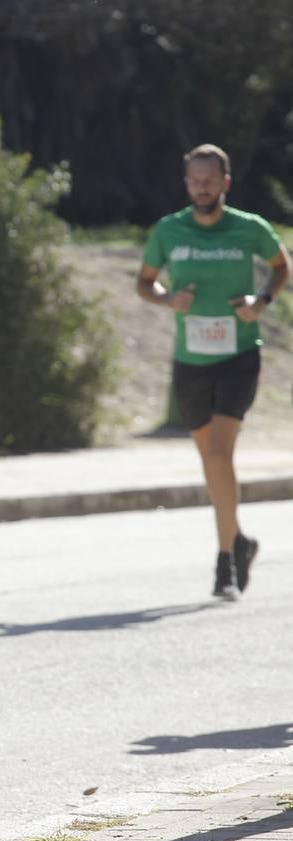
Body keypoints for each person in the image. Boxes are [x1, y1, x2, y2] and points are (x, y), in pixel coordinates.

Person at [136, 143, 289, 600]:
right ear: (187, 183)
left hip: (239, 355)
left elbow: (281, 266)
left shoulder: (249, 228)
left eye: (209, 180)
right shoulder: (169, 230)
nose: (201, 188)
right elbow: (145, 283)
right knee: (212, 461)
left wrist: (260, 302)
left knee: (220, 454)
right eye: (194, 180)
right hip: (191, 361)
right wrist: (168, 299)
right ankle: (239, 540)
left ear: (225, 183)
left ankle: (225, 565)